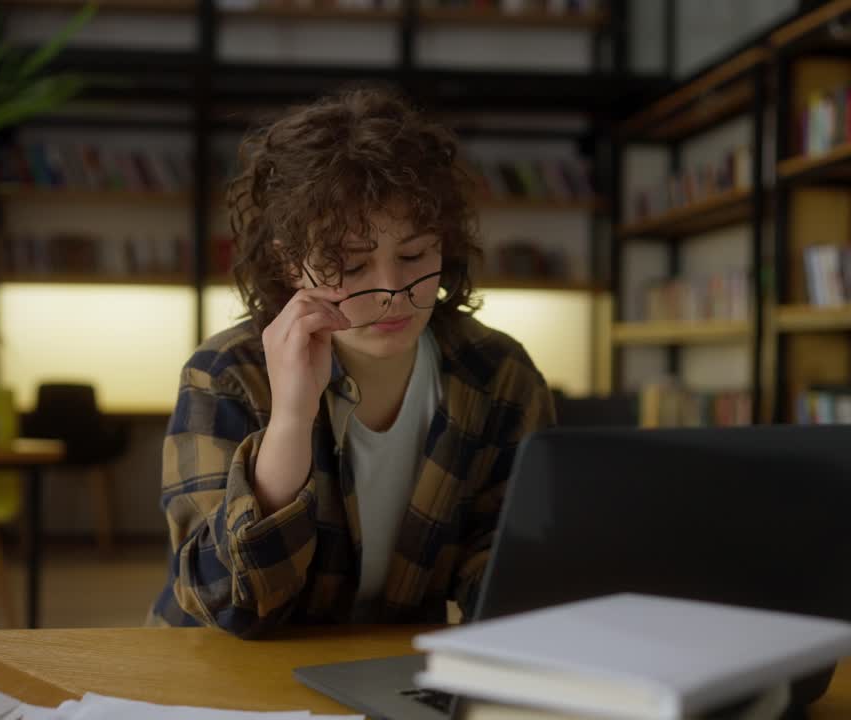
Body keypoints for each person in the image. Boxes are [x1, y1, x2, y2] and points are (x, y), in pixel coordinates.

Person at [146, 86, 555, 637]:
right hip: (217, 674)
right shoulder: (226, 373)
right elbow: (226, 605)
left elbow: (505, 568)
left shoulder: (498, 374)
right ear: (290, 263)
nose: (391, 290)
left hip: (387, 670)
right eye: (351, 266)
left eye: (413, 255)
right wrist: (291, 418)